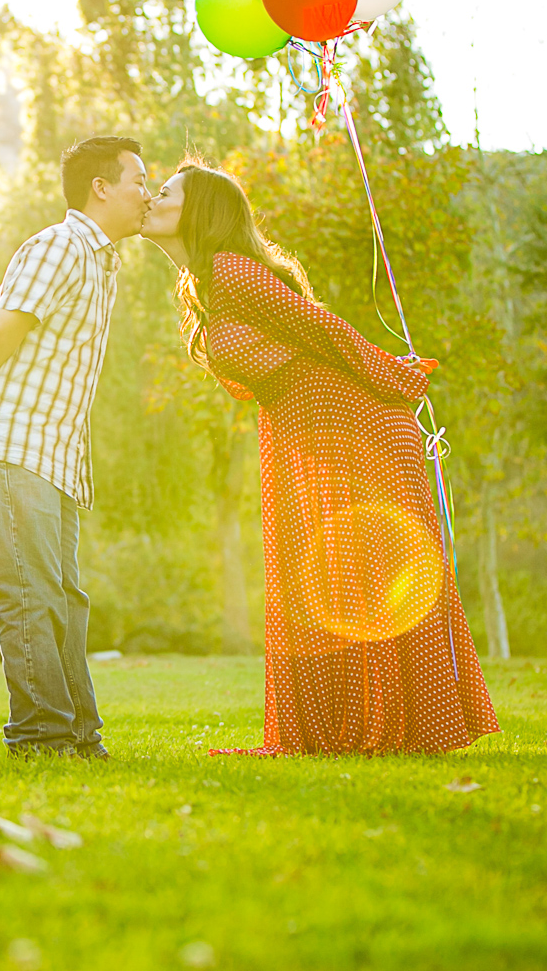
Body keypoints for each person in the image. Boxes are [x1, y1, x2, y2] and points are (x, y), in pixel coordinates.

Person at [140, 159, 499, 754]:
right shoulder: (207, 285)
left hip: (354, 428)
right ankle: (328, 730)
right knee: (318, 579)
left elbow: (318, 324)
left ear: (199, 211)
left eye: (165, 191)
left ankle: (390, 726)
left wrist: (394, 377)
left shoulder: (230, 270)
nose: (153, 198)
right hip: (308, 432)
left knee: (357, 579)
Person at [0, 136, 151, 757]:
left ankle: (80, 736)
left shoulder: (102, 261)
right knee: (29, 594)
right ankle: (40, 738)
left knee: (65, 601)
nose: (147, 191)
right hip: (8, 447)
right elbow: (2, 326)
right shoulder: (61, 245)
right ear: (100, 187)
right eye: (138, 179)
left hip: (52, 458)